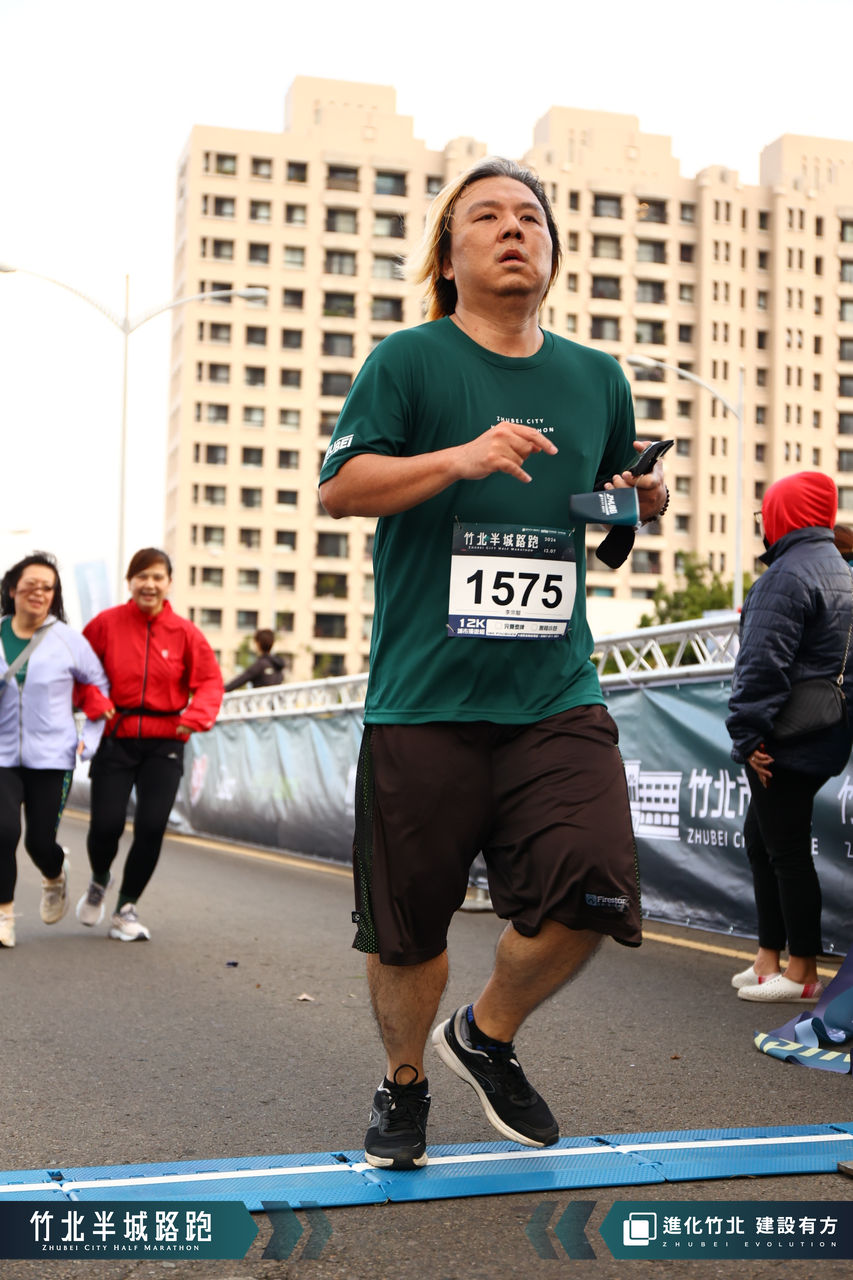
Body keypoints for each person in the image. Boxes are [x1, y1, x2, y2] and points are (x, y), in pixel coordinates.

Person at [318, 157, 668, 1169]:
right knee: (405, 931)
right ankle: (404, 1083)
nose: (513, 229)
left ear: (553, 251)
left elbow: (602, 511)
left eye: (530, 217)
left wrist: (641, 503)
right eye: (486, 217)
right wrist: (459, 458)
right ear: (448, 254)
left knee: (595, 889)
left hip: (553, 691)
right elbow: (342, 488)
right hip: (424, 698)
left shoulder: (597, 378)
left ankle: (484, 1033)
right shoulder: (408, 361)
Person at [727, 473, 853, 1003]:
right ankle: (768, 959)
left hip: (783, 736)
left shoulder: (785, 575)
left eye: (765, 514)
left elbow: (761, 665)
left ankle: (801, 973)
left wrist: (748, 735)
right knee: (763, 841)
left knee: (787, 852)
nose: (763, 524)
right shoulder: (842, 569)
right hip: (826, 730)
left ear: (783, 514)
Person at [77, 548, 224, 941]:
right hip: (117, 737)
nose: (150, 584)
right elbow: (78, 673)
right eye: (142, 576)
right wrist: (94, 702)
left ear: (169, 583)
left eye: (158, 576)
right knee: (106, 826)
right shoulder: (105, 624)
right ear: (130, 582)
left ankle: (126, 907)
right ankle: (99, 878)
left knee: (152, 826)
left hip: (166, 743)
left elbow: (210, 682)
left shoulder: (186, 633)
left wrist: (194, 717)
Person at [0, 553, 111, 948]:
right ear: (12, 589)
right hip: (2, 756)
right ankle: (4, 914)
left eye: (48, 587)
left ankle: (54, 874)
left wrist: (90, 739)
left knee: (38, 842)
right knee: (3, 831)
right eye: (31, 585)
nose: (39, 593)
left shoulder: (67, 640)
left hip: (52, 757)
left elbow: (99, 690)